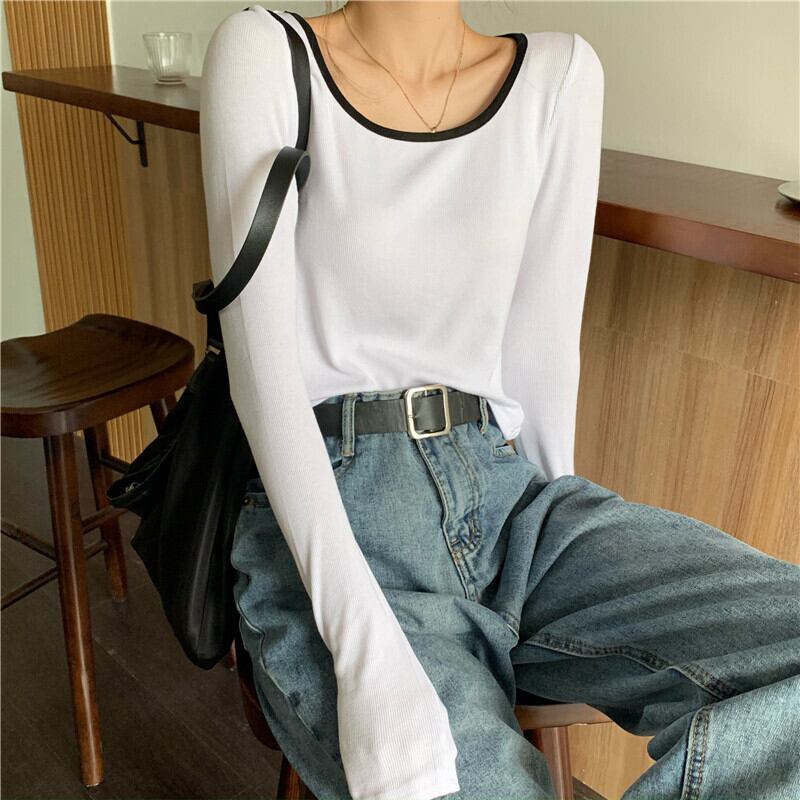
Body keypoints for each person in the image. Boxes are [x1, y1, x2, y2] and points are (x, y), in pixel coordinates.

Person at [199, 3, 800, 799]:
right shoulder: (267, 52)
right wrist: (364, 650)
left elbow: (541, 351)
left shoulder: (560, 76)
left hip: (512, 499)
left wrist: (568, 574)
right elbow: (261, 379)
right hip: (336, 511)